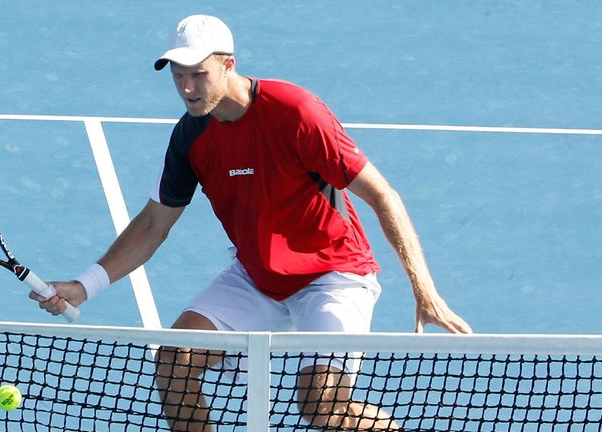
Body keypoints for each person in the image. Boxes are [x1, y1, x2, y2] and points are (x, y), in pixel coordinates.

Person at [31, 14, 472, 431]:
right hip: (257, 274)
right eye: (178, 76)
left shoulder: (297, 113)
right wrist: (85, 285)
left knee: (323, 404)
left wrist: (425, 291)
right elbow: (152, 225)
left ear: (228, 65)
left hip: (333, 274)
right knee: (175, 360)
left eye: (198, 74)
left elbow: (383, 195)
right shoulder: (191, 135)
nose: (187, 88)